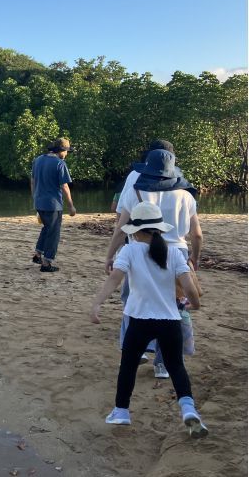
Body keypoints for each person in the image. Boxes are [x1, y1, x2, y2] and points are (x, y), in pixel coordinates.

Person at [91, 201, 207, 437]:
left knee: (129, 365)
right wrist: (195, 305)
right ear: (159, 229)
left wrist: (97, 303)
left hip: (139, 320)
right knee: (176, 366)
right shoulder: (174, 252)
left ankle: (121, 411)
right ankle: (188, 409)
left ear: (137, 231)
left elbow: (115, 278)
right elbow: (188, 286)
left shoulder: (130, 251)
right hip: (170, 320)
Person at [105, 148, 202, 378]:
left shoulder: (134, 192)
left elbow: (121, 230)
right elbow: (197, 235)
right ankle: (162, 364)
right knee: (172, 308)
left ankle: (135, 352)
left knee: (134, 300)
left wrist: (110, 255)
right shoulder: (186, 195)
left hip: (139, 250)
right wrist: (194, 259)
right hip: (175, 252)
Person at [30, 137, 77, 272]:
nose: (67, 154)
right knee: (54, 233)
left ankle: (38, 254)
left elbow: (32, 181)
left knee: (46, 228)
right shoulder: (59, 164)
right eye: (67, 151)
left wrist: (34, 198)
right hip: (53, 204)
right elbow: (64, 186)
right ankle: (46, 263)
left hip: (39, 201)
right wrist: (71, 206)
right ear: (61, 150)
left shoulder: (37, 160)